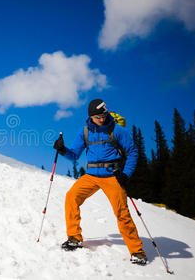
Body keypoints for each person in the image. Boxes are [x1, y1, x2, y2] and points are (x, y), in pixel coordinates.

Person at [53, 99, 148, 265]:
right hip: (91, 175)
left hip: (112, 175)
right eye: (98, 117)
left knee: (122, 213)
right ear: (90, 117)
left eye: (104, 115)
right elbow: (74, 155)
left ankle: (137, 252)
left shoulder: (117, 130)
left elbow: (133, 151)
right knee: (71, 197)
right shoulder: (85, 132)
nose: (102, 119)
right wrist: (62, 150)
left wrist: (126, 174)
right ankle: (74, 237)